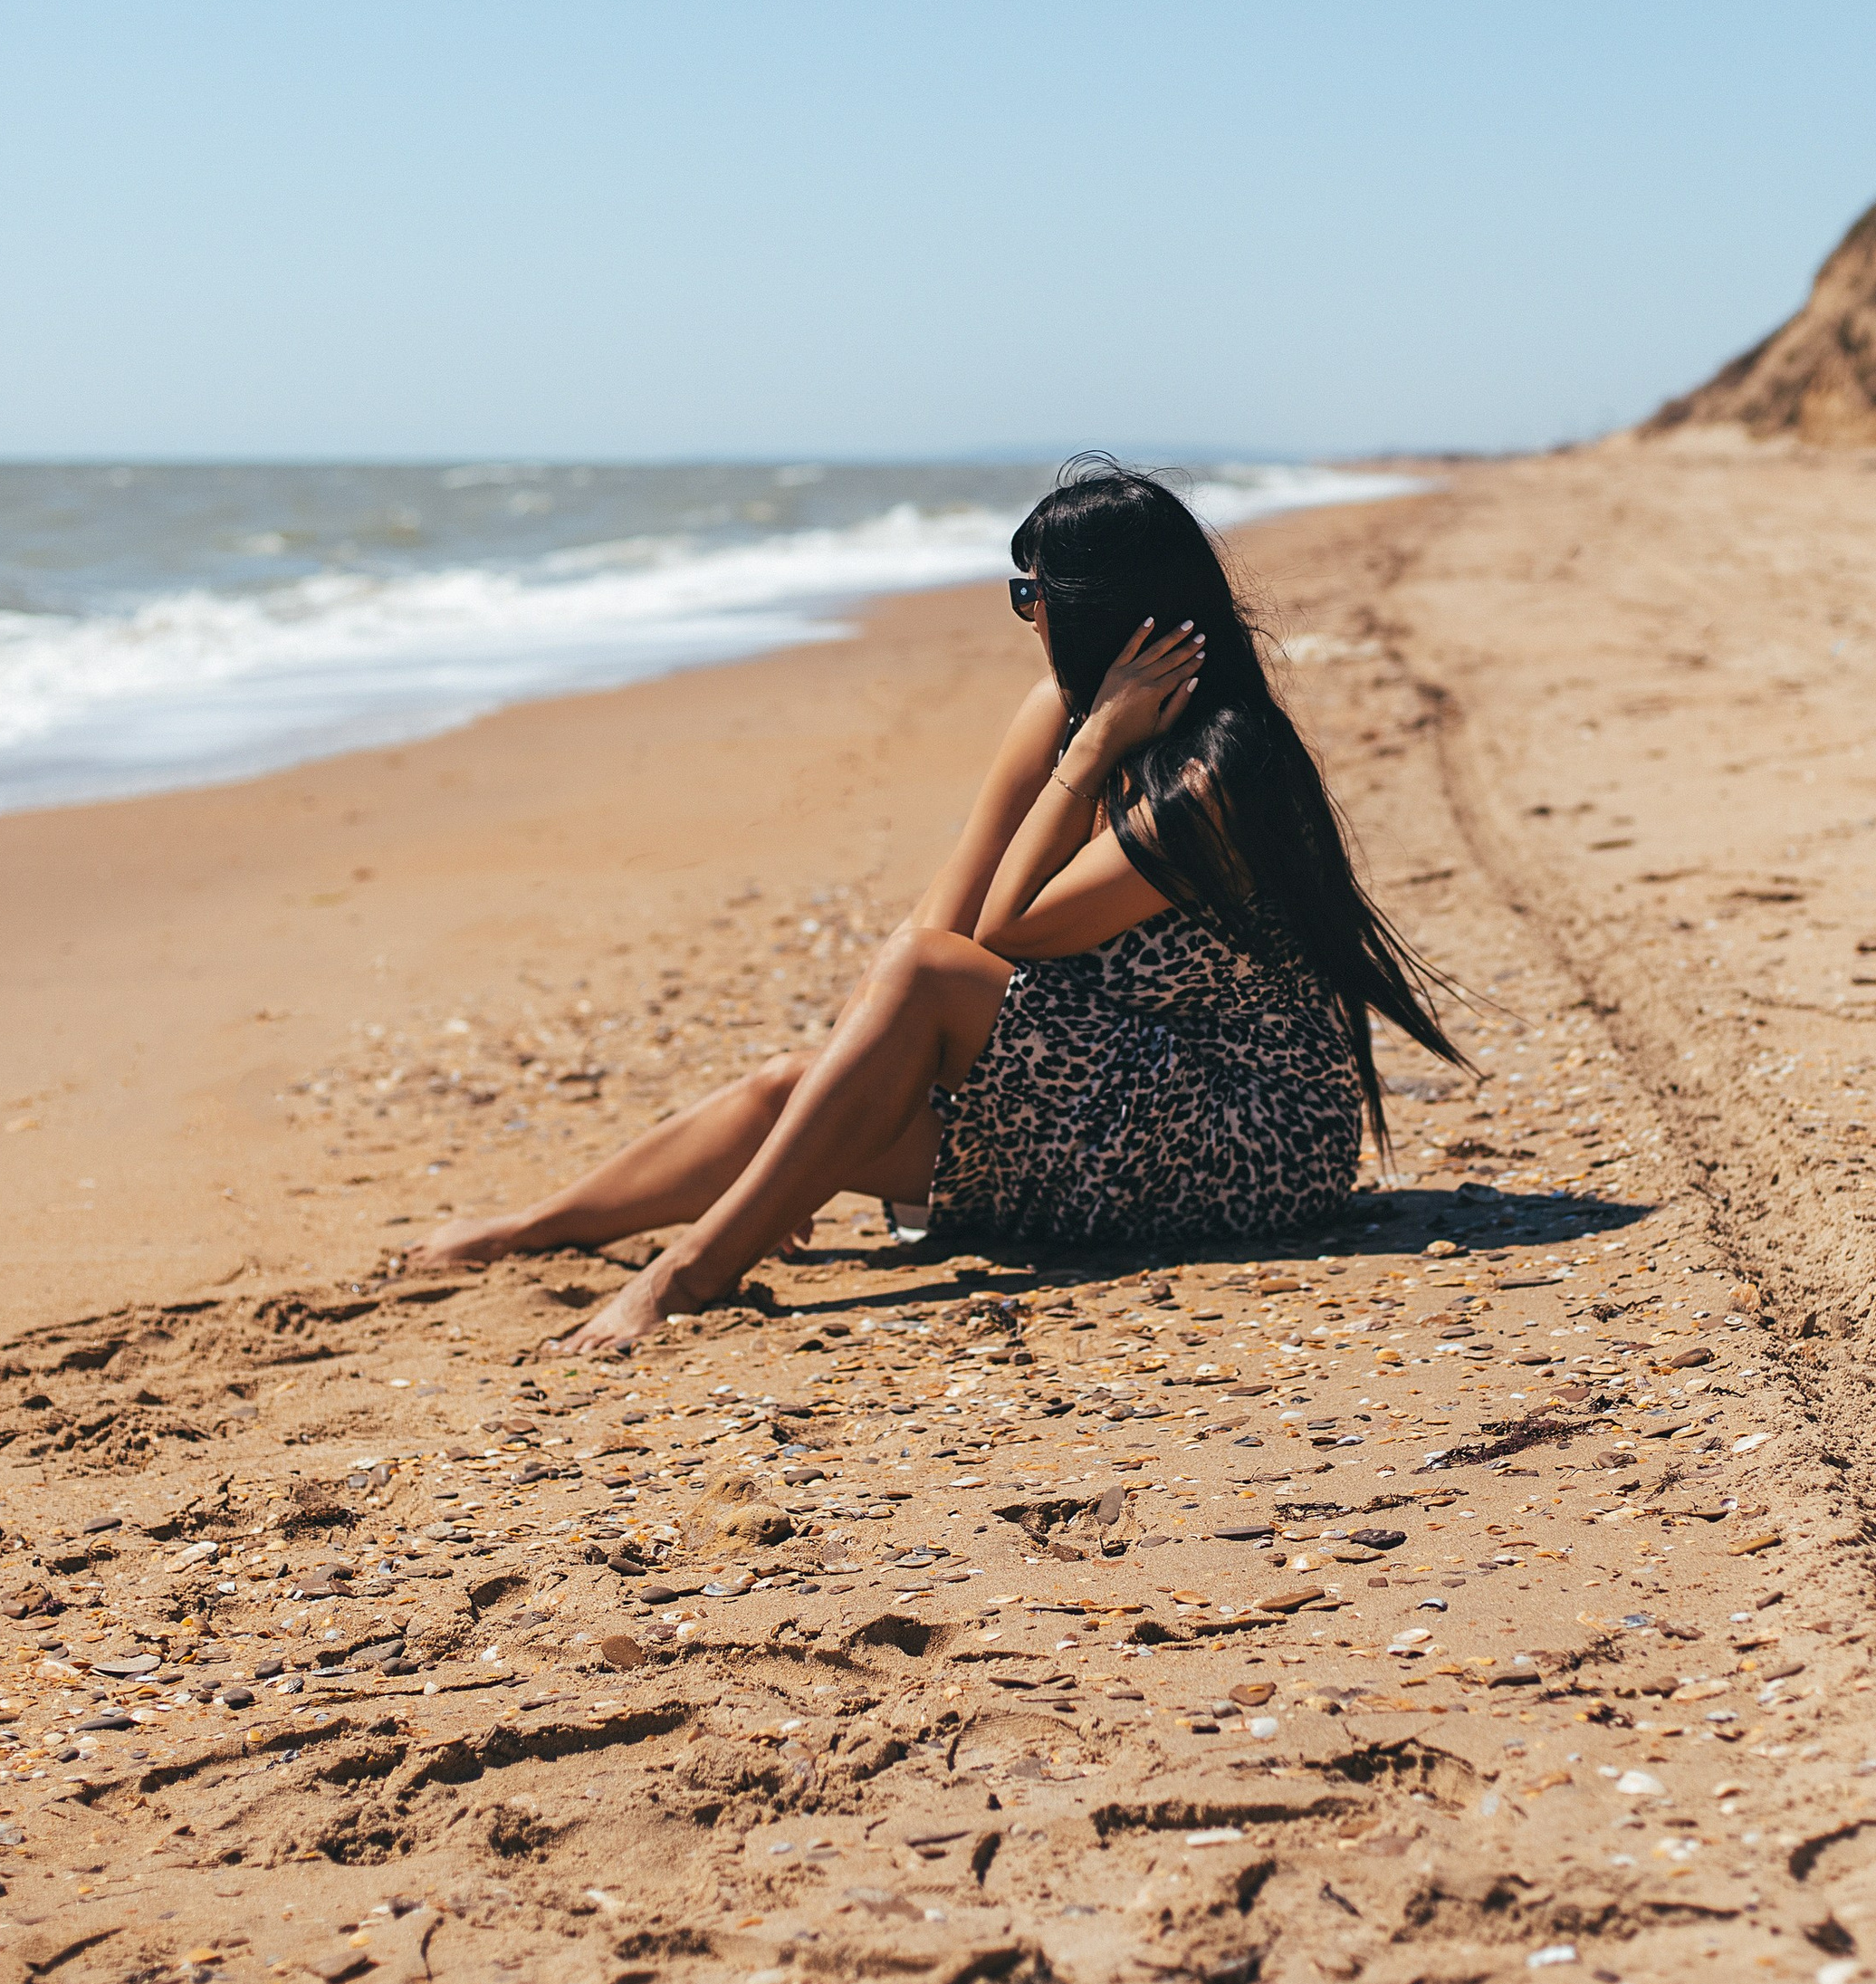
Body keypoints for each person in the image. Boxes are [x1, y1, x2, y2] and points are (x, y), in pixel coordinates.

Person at [414, 464, 1464, 1355]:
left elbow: (1004, 935)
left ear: (1095, 608)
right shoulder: (1057, 711)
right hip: (1106, 1088)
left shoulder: (1222, 773)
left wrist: (1093, 752)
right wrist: (823, 1106)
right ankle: (535, 1228)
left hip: (1245, 1135)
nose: (1027, 614)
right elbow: (946, 908)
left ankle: (690, 1275)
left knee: (906, 994)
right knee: (793, 1089)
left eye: (1031, 593)